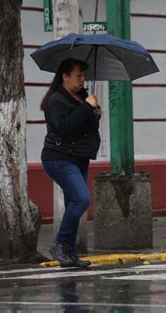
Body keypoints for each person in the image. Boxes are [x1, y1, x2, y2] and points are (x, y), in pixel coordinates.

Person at [40, 58, 101, 268]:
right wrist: (86, 108)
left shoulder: (82, 97)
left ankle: (70, 253)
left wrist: (95, 114)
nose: (82, 80)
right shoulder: (56, 101)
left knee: (72, 204)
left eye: (83, 75)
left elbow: (85, 126)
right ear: (65, 77)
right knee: (81, 199)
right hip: (58, 158)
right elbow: (66, 129)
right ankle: (59, 244)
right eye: (78, 75)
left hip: (79, 157)